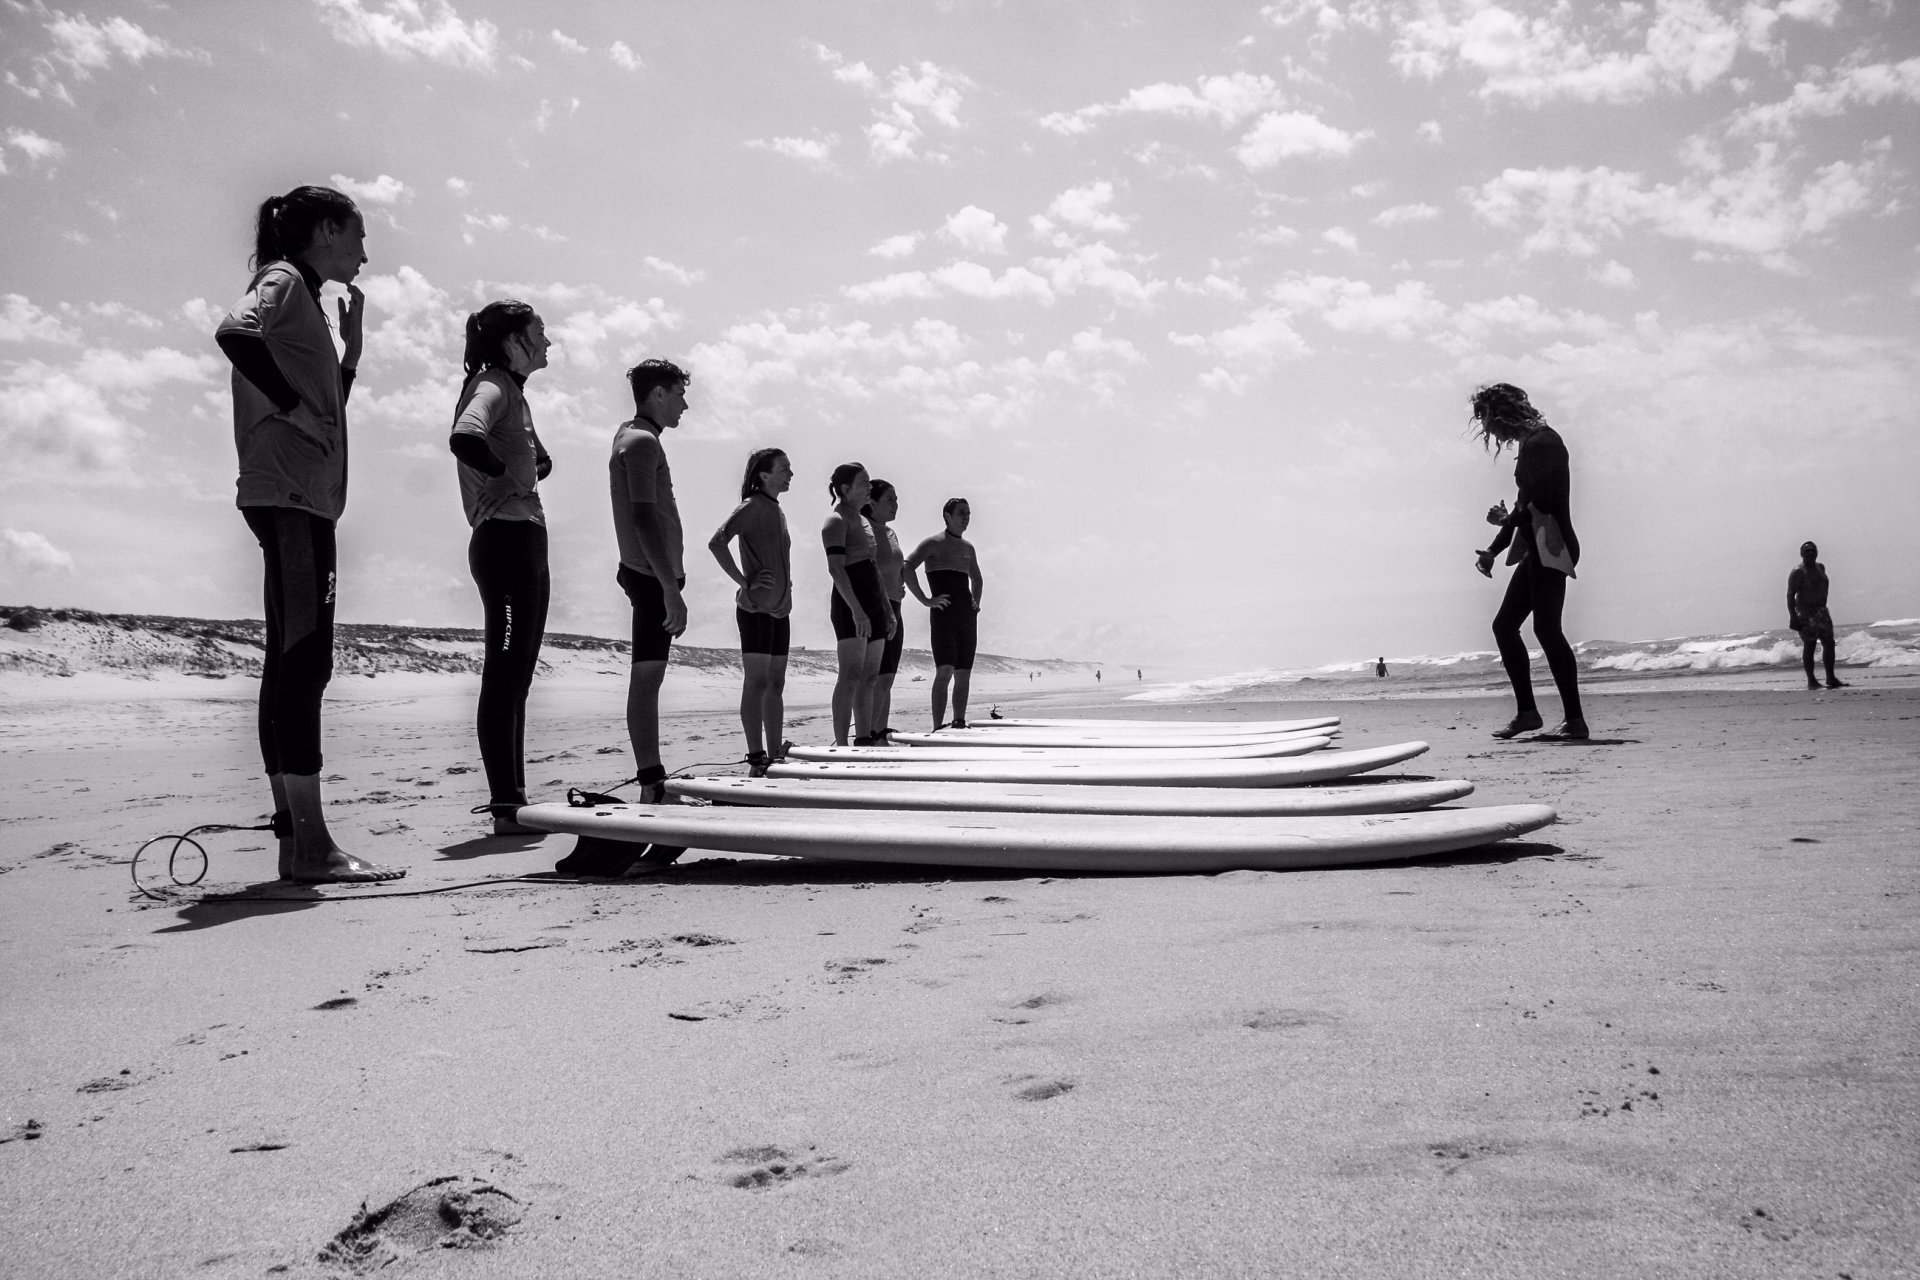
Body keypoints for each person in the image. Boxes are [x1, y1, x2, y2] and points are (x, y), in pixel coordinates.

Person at [215, 185, 402, 883]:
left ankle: (299, 842)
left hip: (301, 498)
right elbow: (235, 332)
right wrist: (291, 407)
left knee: (293, 662)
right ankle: (312, 846)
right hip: (290, 497)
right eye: (357, 236)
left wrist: (347, 356)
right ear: (326, 231)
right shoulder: (285, 279)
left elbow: (325, 408)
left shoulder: (308, 304)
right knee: (304, 665)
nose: (364, 253)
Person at [557, 358, 691, 877]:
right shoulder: (641, 442)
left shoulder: (634, 437)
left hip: (649, 574)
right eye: (679, 392)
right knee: (647, 680)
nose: (684, 402)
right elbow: (641, 513)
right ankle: (651, 782)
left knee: (649, 679)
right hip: (650, 577)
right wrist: (666, 586)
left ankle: (651, 780)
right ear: (657, 393)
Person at [449, 301, 553, 836]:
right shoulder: (490, 384)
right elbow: (464, 438)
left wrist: (531, 464)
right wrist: (503, 477)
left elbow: (530, 457)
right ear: (513, 340)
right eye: (540, 332)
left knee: (520, 678)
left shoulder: (514, 392)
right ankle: (506, 808)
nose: (549, 341)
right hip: (504, 542)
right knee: (505, 675)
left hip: (525, 540)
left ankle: (515, 802)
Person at [1471, 382, 1587, 741]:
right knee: (1505, 626)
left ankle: (1575, 722)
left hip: (1553, 545)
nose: (1488, 430)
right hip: (1538, 545)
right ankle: (1527, 713)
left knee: (1546, 630)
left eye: (1487, 420)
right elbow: (1525, 507)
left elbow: (1543, 507)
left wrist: (1506, 521)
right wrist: (1494, 548)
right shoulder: (1530, 445)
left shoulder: (1544, 444)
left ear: (1502, 414)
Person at [709, 448, 793, 774]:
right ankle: (756, 757)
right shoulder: (752, 506)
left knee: (776, 684)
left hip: (780, 611)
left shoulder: (776, 509)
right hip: (755, 609)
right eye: (784, 469)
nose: (790, 474)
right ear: (764, 475)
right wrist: (745, 581)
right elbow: (717, 542)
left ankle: (774, 755)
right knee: (757, 683)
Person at [822, 463, 893, 745]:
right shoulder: (836, 521)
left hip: (874, 604)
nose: (870, 488)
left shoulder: (863, 521)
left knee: (870, 676)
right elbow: (836, 569)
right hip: (850, 605)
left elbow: (873, 569)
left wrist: (886, 610)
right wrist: (857, 610)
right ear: (845, 489)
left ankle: (863, 737)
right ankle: (841, 742)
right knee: (850, 675)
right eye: (864, 483)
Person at [904, 497, 982, 729]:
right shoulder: (933, 543)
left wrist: (976, 601)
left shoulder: (968, 547)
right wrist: (925, 600)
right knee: (944, 671)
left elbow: (976, 577)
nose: (966, 518)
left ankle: (959, 721)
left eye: (968, 513)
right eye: (961, 513)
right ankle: (937, 725)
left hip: (966, 616)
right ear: (947, 516)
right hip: (944, 615)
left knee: (964, 673)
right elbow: (907, 567)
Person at [865, 479, 906, 741]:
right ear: (872, 501)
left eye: (896, 499)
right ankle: (867, 732)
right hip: (875, 606)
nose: (896, 504)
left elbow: (898, 564)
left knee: (888, 675)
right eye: (890, 499)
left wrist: (901, 584)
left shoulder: (891, 533)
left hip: (896, 605)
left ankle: (880, 731)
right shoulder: (863, 530)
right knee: (875, 677)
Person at [1788, 541, 1847, 691]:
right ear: (1801, 554)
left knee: (1829, 643)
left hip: (1822, 611)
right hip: (1806, 613)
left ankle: (1830, 677)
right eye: (1807, 551)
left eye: (1813, 550)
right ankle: (1811, 680)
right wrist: (1793, 616)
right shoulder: (1798, 571)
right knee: (1810, 646)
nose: (1810, 553)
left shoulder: (1820, 568)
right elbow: (1790, 594)